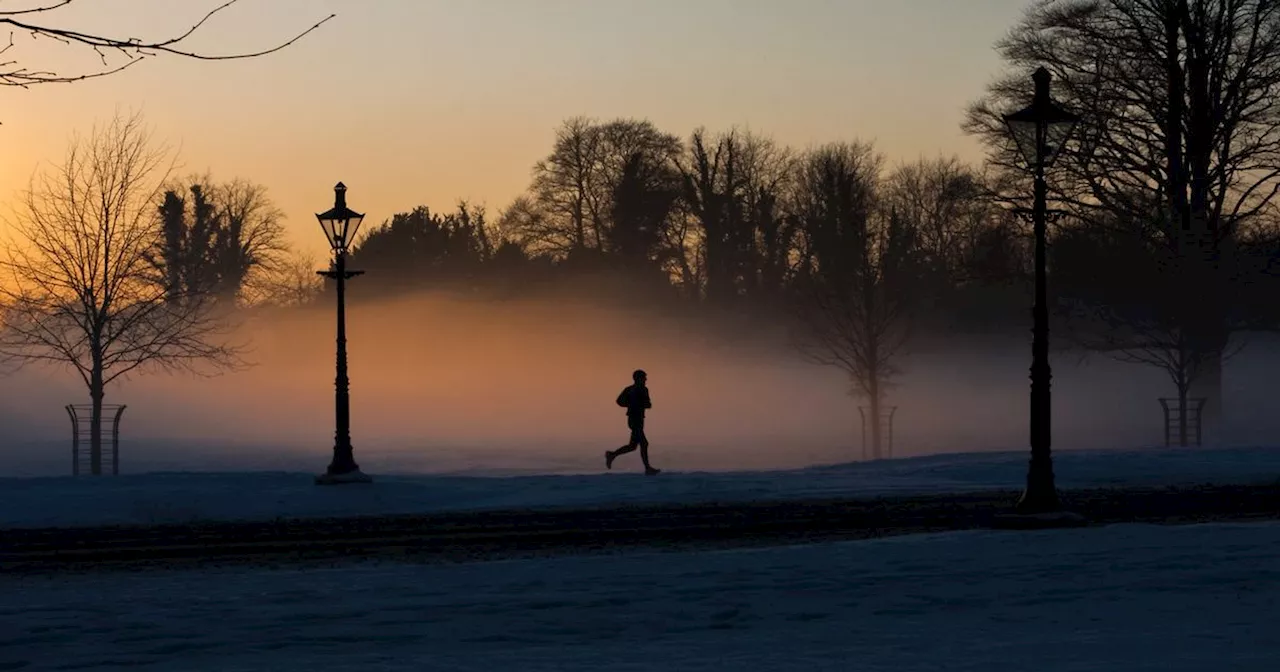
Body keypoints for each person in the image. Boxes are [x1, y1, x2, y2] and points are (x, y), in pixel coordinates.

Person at [606, 369, 660, 475]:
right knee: (644, 443)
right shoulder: (630, 389)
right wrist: (631, 404)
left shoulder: (644, 389)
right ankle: (648, 468)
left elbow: (648, 404)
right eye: (644, 377)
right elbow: (619, 401)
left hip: (640, 419)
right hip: (633, 419)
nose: (645, 379)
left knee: (632, 446)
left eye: (645, 378)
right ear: (638, 379)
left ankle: (612, 454)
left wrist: (640, 404)